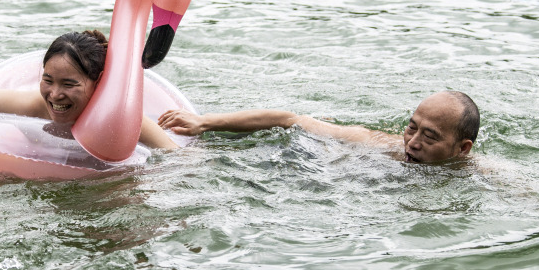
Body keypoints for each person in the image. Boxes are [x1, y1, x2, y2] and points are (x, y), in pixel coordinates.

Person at [0, 30, 179, 158]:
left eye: (69, 84)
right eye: (48, 80)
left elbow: (178, 159)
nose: (55, 95)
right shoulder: (34, 105)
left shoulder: (120, 120)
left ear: (98, 83)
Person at [158, 91, 479, 164]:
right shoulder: (379, 143)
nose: (412, 143)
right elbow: (291, 120)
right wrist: (204, 122)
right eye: (411, 128)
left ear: (462, 148)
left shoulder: (479, 175)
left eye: (430, 136)